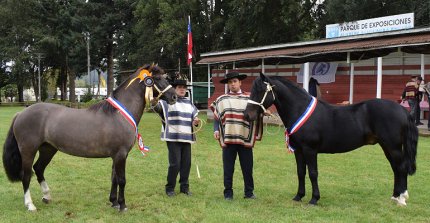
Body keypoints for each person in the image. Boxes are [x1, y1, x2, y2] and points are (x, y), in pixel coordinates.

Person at [210, 72, 263, 200]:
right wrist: (216, 129)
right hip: (228, 138)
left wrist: (262, 112)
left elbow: (257, 112)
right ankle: (228, 193)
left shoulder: (249, 98)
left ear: (240, 82)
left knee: (247, 168)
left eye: (235, 81)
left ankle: (249, 193)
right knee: (228, 169)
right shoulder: (222, 99)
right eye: (230, 82)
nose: (232, 84)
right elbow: (217, 116)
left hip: (245, 138)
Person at [152, 76, 200, 197]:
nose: (182, 89)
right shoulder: (168, 101)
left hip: (187, 137)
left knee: (186, 164)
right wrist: (154, 102)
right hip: (173, 137)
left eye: (184, 87)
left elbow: (194, 118)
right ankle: (170, 188)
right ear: (174, 88)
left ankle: (185, 187)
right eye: (179, 87)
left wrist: (196, 121)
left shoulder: (189, 103)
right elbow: (157, 108)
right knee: (175, 164)